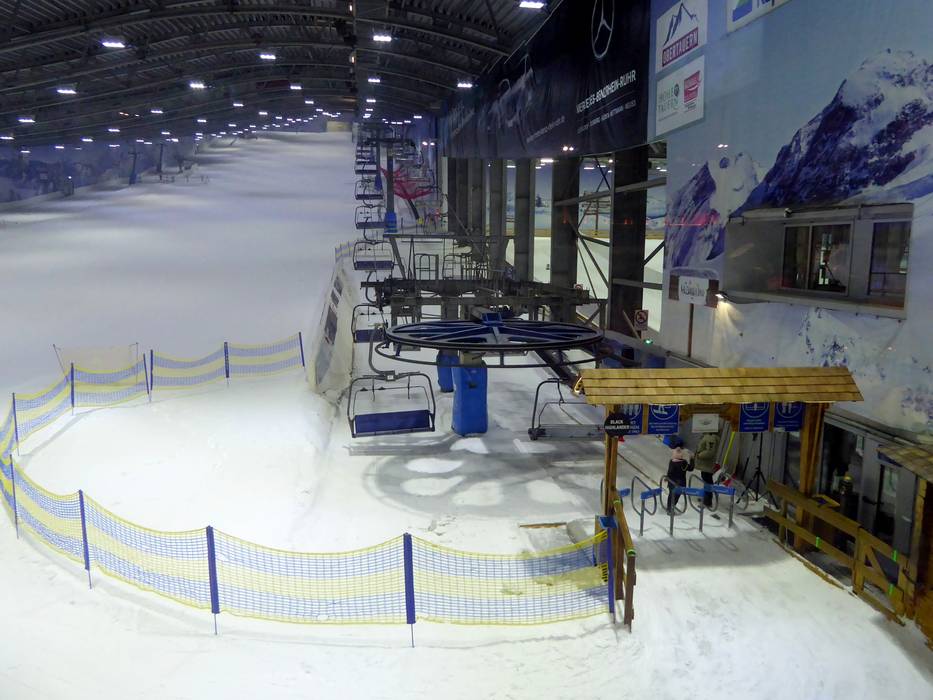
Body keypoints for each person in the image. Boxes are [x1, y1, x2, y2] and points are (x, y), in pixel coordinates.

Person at [666, 437, 692, 512]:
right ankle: (671, 507)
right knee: (676, 496)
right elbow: (691, 468)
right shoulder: (683, 463)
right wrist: (692, 459)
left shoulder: (672, 461)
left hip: (672, 482)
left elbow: (670, 472)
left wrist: (667, 478)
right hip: (680, 483)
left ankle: (669, 508)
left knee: (671, 495)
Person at [695, 432, 721, 508]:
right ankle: (706, 498)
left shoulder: (711, 437)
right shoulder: (708, 435)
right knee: (706, 480)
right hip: (705, 463)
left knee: (708, 481)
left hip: (706, 464)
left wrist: (699, 455)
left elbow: (710, 452)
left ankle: (707, 502)